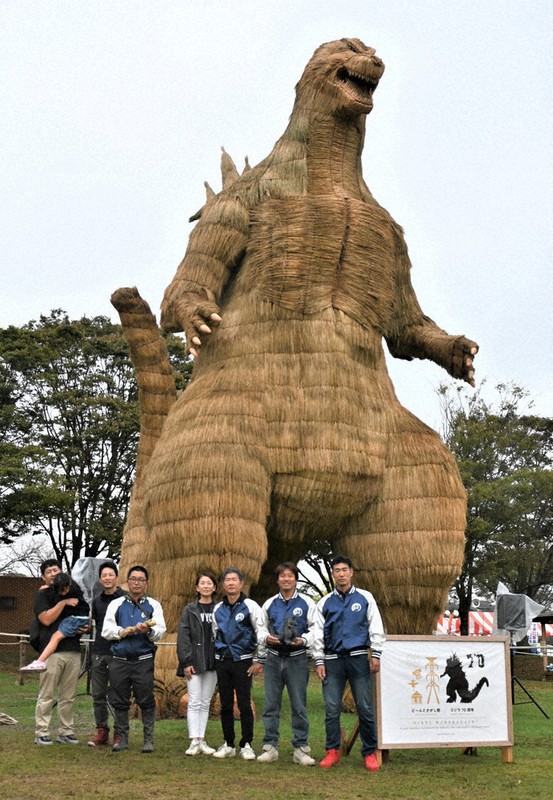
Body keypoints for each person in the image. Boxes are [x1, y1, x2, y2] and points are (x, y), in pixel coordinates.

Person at [313, 555, 385, 772]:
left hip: (358, 657)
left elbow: (375, 625)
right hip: (333, 660)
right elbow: (317, 632)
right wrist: (319, 659)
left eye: (345, 570)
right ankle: (332, 751)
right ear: (333, 574)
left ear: (351, 572)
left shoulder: (365, 598)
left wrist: (376, 653)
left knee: (364, 707)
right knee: (332, 708)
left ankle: (370, 752)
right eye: (337, 570)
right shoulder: (324, 602)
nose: (341, 574)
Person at [256, 562, 317, 766]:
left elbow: (316, 629)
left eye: (290, 575)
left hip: (297, 658)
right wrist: (266, 639)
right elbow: (260, 628)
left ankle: (301, 749)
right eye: (282, 576)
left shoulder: (307, 603)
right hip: (273, 659)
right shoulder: (270, 603)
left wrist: (304, 640)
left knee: (299, 705)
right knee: (271, 704)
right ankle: (270, 747)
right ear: (278, 580)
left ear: (295, 579)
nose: (286, 579)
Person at [102, 565, 166, 753]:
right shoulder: (116, 604)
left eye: (141, 579)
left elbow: (161, 631)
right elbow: (106, 630)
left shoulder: (154, 605)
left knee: (145, 699)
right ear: (127, 582)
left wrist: (149, 630)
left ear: (146, 583)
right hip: (119, 659)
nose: (136, 582)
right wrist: (122, 631)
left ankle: (148, 740)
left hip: (143, 659)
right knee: (120, 700)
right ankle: (121, 738)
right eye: (133, 579)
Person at [32, 559, 90, 746]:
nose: (53, 573)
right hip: (51, 652)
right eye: (48, 571)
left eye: (55, 569)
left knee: (68, 695)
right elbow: (46, 619)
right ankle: (42, 731)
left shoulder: (73, 589)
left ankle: (66, 731)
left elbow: (83, 616)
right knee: (47, 694)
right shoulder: (43, 595)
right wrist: (64, 602)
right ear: (43, 577)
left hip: (73, 649)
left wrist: (85, 628)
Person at [212, 567, 263, 761]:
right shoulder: (218, 608)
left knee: (244, 703)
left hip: (243, 662)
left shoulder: (250, 606)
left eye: (235, 580)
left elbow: (261, 632)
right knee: (225, 704)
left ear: (241, 584)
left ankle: (247, 744)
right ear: (223, 585)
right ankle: (229, 743)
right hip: (223, 662)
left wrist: (258, 660)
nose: (231, 583)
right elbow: (214, 634)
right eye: (227, 580)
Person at [177, 571, 218, 755]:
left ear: (214, 587)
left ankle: (202, 739)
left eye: (209, 583)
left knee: (205, 701)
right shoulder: (190, 610)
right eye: (203, 583)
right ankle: (194, 740)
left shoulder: (219, 609)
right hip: (194, 661)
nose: (206, 586)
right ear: (197, 587)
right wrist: (186, 661)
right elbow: (183, 637)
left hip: (213, 662)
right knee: (194, 700)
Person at [87, 560, 125, 747]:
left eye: (111, 575)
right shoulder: (96, 601)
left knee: (119, 694)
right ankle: (102, 731)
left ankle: (120, 733)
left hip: (120, 651)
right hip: (99, 651)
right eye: (104, 576)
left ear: (116, 577)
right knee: (98, 694)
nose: (108, 578)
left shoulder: (126, 598)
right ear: (100, 580)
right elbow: (93, 625)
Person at [22, 572, 89, 672]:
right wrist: (47, 587)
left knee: (55, 637)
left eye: (64, 590)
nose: (63, 593)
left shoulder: (73, 591)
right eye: (60, 591)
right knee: (55, 637)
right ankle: (40, 662)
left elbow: (58, 596)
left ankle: (40, 661)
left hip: (77, 618)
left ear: (69, 584)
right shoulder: (68, 585)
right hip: (75, 618)